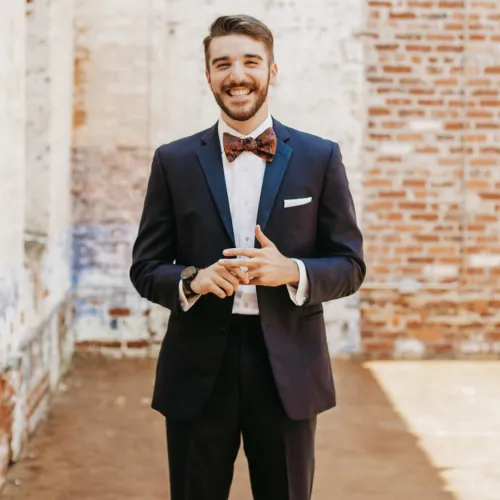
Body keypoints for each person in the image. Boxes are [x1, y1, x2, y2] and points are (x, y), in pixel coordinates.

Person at [130, 14, 365, 500]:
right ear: (209, 74)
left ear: (272, 72)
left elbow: (350, 265)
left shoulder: (320, 157)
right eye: (223, 64)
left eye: (250, 62)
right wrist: (192, 279)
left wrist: (292, 271)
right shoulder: (172, 161)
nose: (237, 75)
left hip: (288, 368)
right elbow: (145, 268)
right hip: (198, 366)